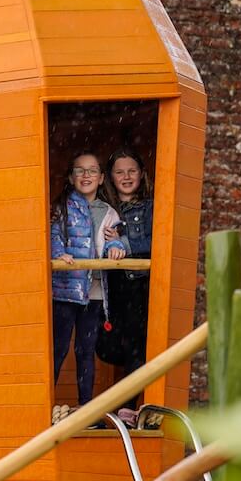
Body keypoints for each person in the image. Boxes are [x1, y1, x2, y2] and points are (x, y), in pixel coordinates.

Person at [50, 151, 128, 414]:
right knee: (58, 348)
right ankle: (45, 404)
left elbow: (116, 238)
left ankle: (85, 407)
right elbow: (53, 236)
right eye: (80, 171)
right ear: (71, 177)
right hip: (67, 290)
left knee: (86, 350)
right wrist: (59, 253)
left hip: (93, 293)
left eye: (92, 170)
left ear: (101, 177)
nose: (86, 175)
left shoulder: (108, 212)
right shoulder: (63, 207)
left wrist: (116, 247)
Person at [100, 148, 154, 415]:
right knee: (106, 346)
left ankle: (128, 407)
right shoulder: (105, 209)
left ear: (141, 174)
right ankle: (115, 400)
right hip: (111, 286)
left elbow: (157, 240)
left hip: (137, 285)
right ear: (111, 177)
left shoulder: (149, 207)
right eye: (120, 172)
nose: (126, 176)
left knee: (135, 347)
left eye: (132, 171)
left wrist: (124, 243)